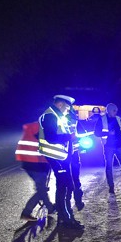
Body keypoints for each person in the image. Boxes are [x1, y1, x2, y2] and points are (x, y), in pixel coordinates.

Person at [38, 94, 83, 229]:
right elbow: (51, 137)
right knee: (64, 187)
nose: (68, 110)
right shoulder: (50, 115)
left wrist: (72, 139)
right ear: (60, 105)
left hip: (61, 157)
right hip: (56, 158)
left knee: (64, 186)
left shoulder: (57, 115)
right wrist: (69, 137)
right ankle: (67, 220)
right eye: (67, 108)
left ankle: (65, 217)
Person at [14, 120, 55, 222]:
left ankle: (49, 207)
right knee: (41, 190)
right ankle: (27, 213)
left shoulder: (31, 128)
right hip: (36, 164)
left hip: (30, 163)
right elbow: (48, 143)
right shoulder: (40, 128)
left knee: (41, 189)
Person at [94, 102, 121, 193]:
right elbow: (96, 133)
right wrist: (108, 133)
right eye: (114, 110)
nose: (116, 112)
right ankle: (111, 186)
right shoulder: (102, 119)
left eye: (116, 110)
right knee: (109, 167)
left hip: (119, 146)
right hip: (108, 147)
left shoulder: (118, 119)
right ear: (109, 111)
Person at [67, 107, 94, 211]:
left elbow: (82, 134)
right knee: (74, 180)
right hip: (68, 155)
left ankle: (73, 203)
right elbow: (82, 134)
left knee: (72, 180)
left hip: (69, 155)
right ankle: (74, 203)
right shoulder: (72, 122)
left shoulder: (74, 122)